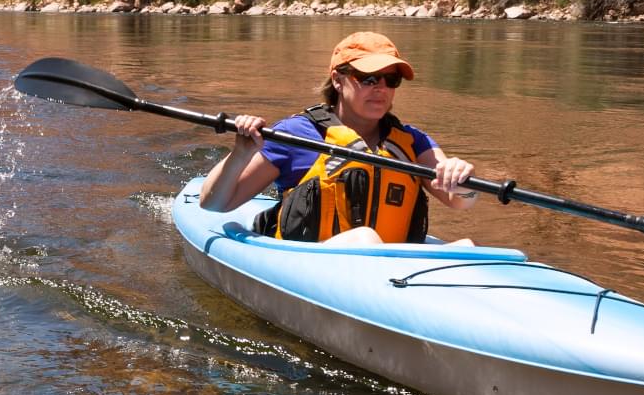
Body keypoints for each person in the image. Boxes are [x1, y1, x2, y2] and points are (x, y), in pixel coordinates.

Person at [200, 31, 477, 246]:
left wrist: (460, 177)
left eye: (390, 80)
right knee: (364, 238)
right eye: (368, 78)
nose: (381, 88)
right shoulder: (296, 135)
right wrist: (241, 152)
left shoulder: (412, 141)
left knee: (465, 245)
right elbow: (214, 204)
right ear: (337, 79)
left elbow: (461, 201)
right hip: (315, 261)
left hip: (393, 271)